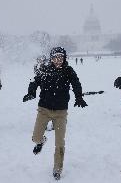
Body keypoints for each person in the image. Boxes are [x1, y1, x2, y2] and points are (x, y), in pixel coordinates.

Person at [23, 47, 88, 180]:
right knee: (35, 138)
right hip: (44, 110)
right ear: (51, 58)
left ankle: (57, 169)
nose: (58, 60)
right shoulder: (45, 70)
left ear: (64, 58)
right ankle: (41, 141)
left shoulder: (68, 71)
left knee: (59, 143)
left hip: (60, 112)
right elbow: (35, 81)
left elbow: (76, 83)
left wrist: (79, 97)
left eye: (60, 57)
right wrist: (31, 92)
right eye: (55, 57)